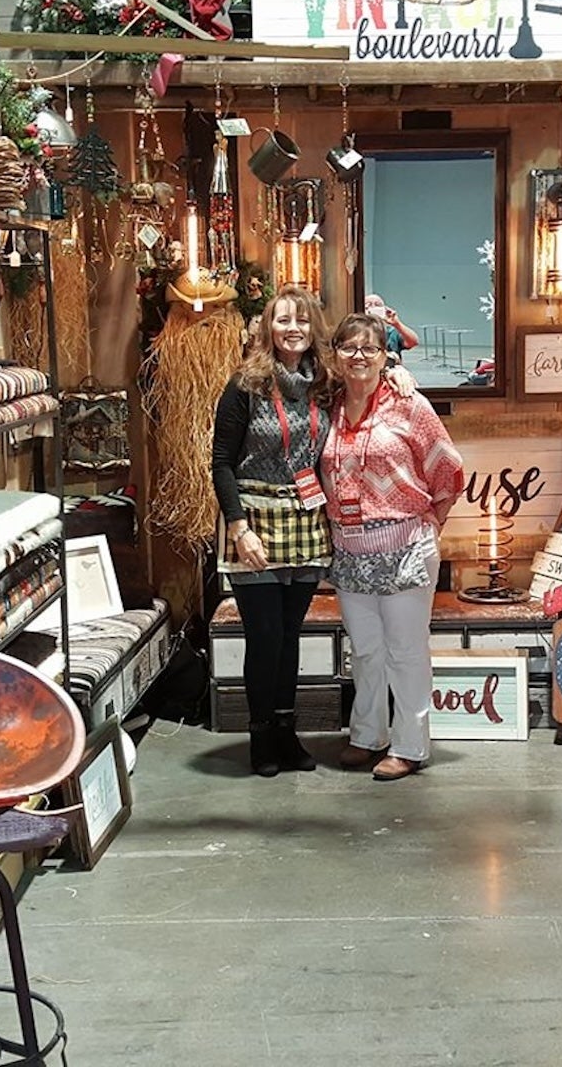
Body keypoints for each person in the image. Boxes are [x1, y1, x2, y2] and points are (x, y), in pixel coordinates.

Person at [322, 314, 464, 781]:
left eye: (370, 347)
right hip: (350, 549)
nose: (359, 355)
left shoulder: (409, 404)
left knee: (406, 652)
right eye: (349, 347)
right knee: (364, 651)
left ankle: (409, 745)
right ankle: (367, 735)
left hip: (405, 546)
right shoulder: (330, 407)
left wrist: (432, 521)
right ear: (336, 355)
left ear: (386, 356)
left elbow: (448, 468)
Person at [212, 287, 336, 777]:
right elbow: (221, 463)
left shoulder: (324, 383)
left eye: (302, 321)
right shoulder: (246, 383)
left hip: (306, 520)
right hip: (256, 522)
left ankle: (288, 732)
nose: (293, 329)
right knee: (264, 637)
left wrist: (402, 374)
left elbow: (376, 370)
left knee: (290, 636)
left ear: (313, 328)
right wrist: (239, 527)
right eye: (283, 320)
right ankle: (261, 737)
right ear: (268, 328)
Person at [364, 293, 420, 360]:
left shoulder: (392, 332)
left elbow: (413, 342)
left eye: (378, 305)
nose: (373, 307)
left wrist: (397, 324)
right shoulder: (356, 332)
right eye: (368, 305)